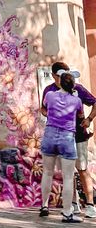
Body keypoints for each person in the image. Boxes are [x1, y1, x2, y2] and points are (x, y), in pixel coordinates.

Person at [41, 61, 96, 218]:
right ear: (53, 76)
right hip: (66, 137)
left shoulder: (73, 91)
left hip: (76, 136)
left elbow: (93, 103)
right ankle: (71, 204)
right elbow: (44, 109)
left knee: (82, 169)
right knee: (68, 173)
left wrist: (89, 119)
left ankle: (90, 204)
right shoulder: (50, 91)